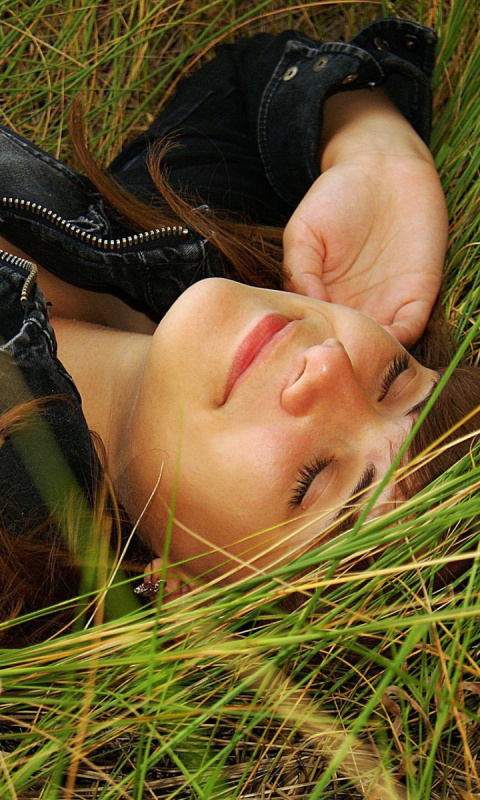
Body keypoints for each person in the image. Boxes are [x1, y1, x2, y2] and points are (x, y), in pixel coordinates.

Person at [0, 18, 478, 639]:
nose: (329, 365)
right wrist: (374, 148)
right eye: (395, 376)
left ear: (182, 592)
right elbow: (246, 77)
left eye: (314, 480)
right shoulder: (187, 257)